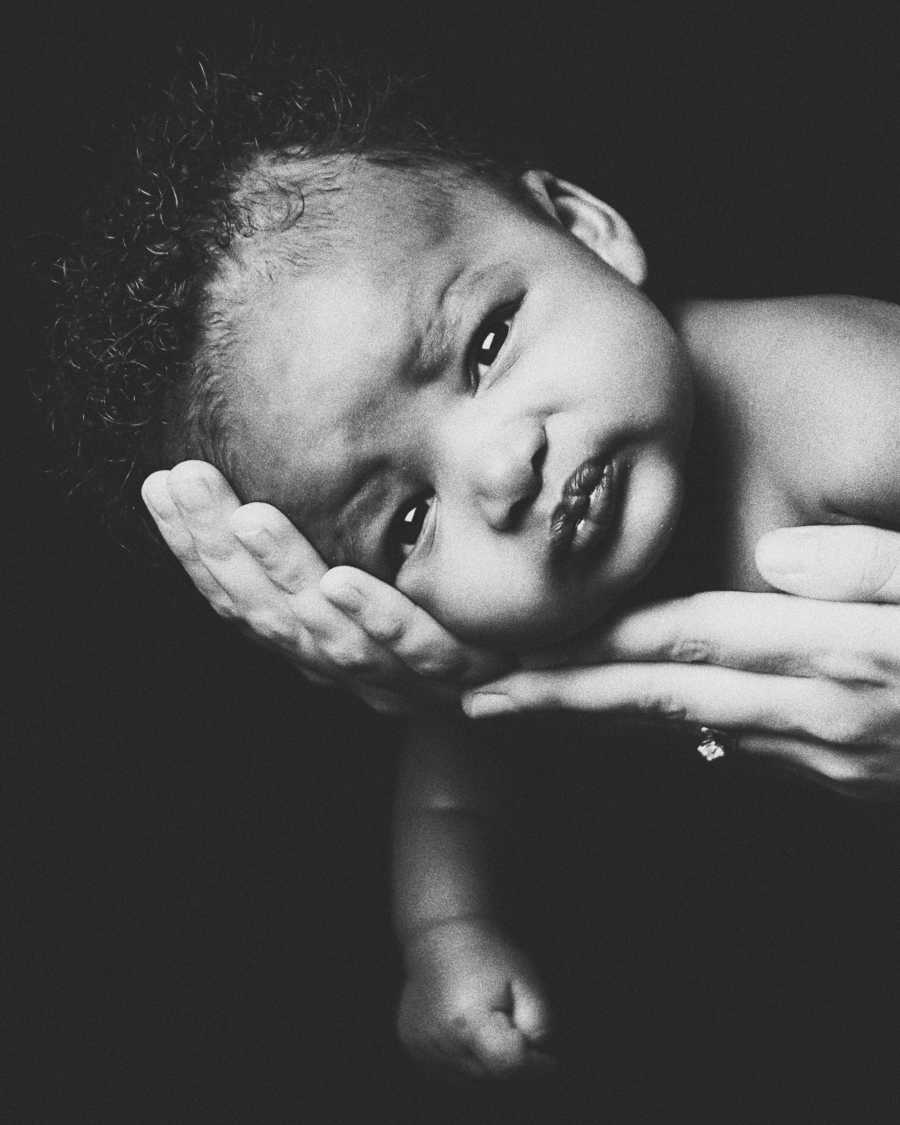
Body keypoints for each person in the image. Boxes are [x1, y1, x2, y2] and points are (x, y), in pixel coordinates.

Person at [41, 43, 900, 1083]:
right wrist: (448, 937)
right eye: (407, 523)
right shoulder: (491, 641)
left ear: (585, 229)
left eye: (487, 344)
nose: (500, 472)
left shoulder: (847, 404)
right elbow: (456, 794)